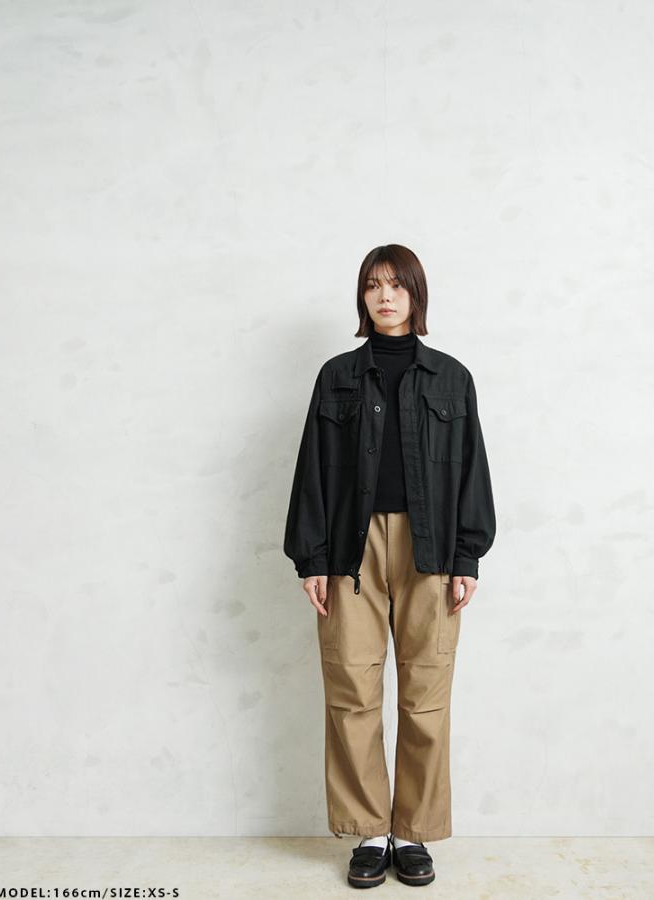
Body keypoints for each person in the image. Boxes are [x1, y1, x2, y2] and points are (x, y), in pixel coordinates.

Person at [283, 244, 497, 888]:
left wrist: (468, 555)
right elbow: (313, 467)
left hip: (431, 552)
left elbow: (472, 468)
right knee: (352, 689)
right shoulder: (338, 377)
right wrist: (312, 558)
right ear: (362, 296)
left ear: (415, 295)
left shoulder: (451, 378)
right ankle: (369, 832)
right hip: (350, 552)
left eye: (396, 285)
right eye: (373, 285)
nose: (384, 296)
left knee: (426, 695)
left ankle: (413, 832)